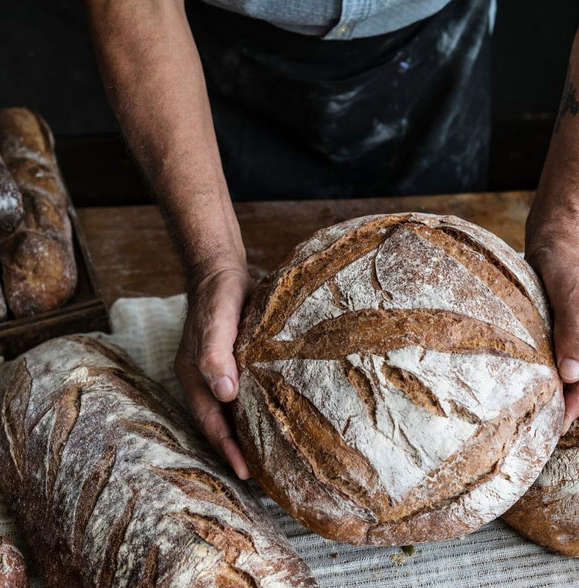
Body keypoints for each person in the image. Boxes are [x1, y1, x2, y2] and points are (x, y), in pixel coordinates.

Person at [85, 0, 579, 480]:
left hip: (436, 47)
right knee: (242, 331)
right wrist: (212, 261)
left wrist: (566, 224)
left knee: (451, 283)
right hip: (205, 68)